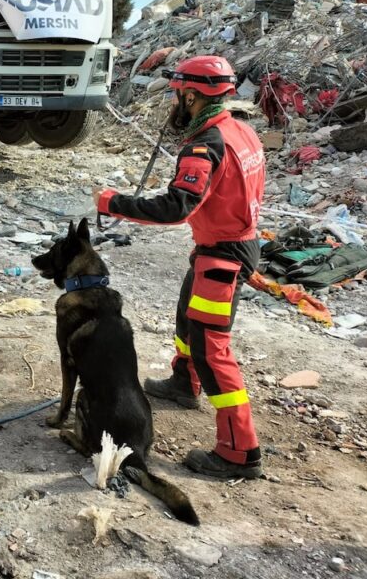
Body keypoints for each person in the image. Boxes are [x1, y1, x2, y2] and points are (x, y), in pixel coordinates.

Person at [93, 55, 265, 480]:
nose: (175, 102)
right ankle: (182, 383)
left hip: (223, 257)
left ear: (191, 94)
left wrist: (113, 202)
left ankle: (240, 453)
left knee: (211, 349)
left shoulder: (205, 144)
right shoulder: (240, 130)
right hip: (224, 247)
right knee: (187, 321)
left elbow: (175, 207)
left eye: (177, 94)